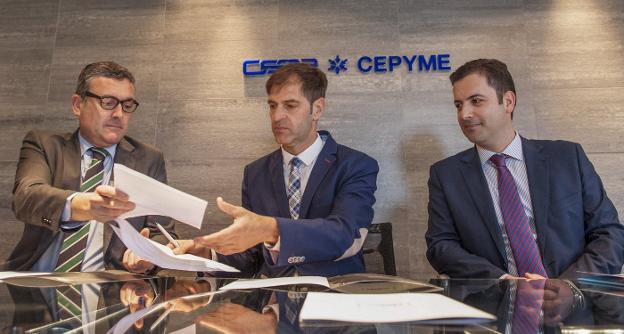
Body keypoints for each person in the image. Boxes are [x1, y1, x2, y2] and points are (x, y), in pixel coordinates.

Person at [174, 63, 379, 277]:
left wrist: (271, 228)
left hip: (334, 298)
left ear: (317, 109)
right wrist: (208, 254)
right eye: (273, 106)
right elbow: (252, 255)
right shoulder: (255, 173)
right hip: (272, 302)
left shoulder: (356, 165)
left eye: (290, 106)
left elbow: (345, 235)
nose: (276, 116)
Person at [426, 58, 624, 279]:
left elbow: (609, 234)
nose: (464, 114)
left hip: (575, 303)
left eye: (476, 101)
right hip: (496, 303)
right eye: (458, 105)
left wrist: (568, 286)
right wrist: (502, 282)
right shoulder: (446, 175)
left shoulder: (567, 158)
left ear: (508, 102)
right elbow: (441, 245)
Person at [2, 61, 176, 274]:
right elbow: (26, 198)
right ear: (77, 104)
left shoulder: (148, 160)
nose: (119, 114)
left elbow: (163, 233)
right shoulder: (45, 144)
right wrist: (79, 206)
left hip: (113, 291)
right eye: (108, 102)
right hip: (36, 283)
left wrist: (151, 253)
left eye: (127, 105)